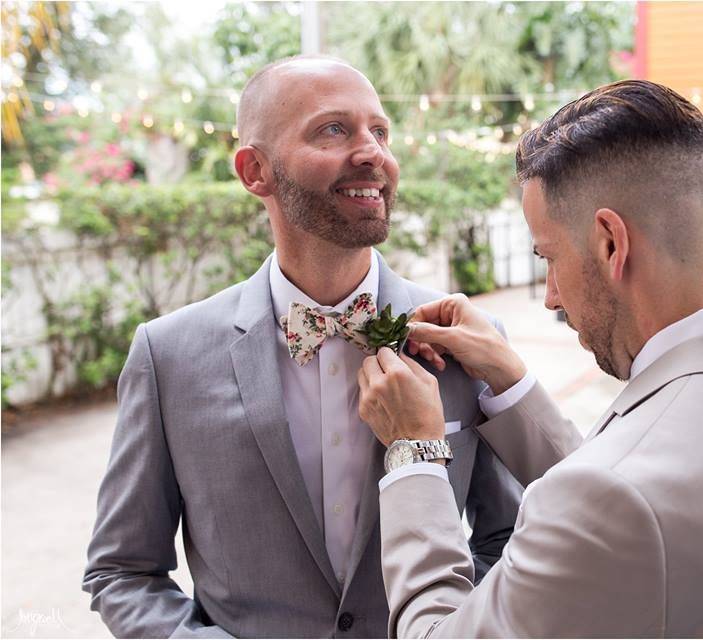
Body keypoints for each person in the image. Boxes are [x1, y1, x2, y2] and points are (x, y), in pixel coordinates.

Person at [358, 79, 703, 638]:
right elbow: (624, 508)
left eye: (550, 257)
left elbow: (612, 503)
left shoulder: (613, 497)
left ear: (611, 243)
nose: (550, 296)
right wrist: (511, 379)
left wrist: (414, 450)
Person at [82, 55, 522, 638]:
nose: (374, 153)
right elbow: (122, 571)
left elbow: (512, 540)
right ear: (254, 170)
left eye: (380, 131)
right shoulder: (168, 356)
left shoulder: (468, 341)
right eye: (333, 129)